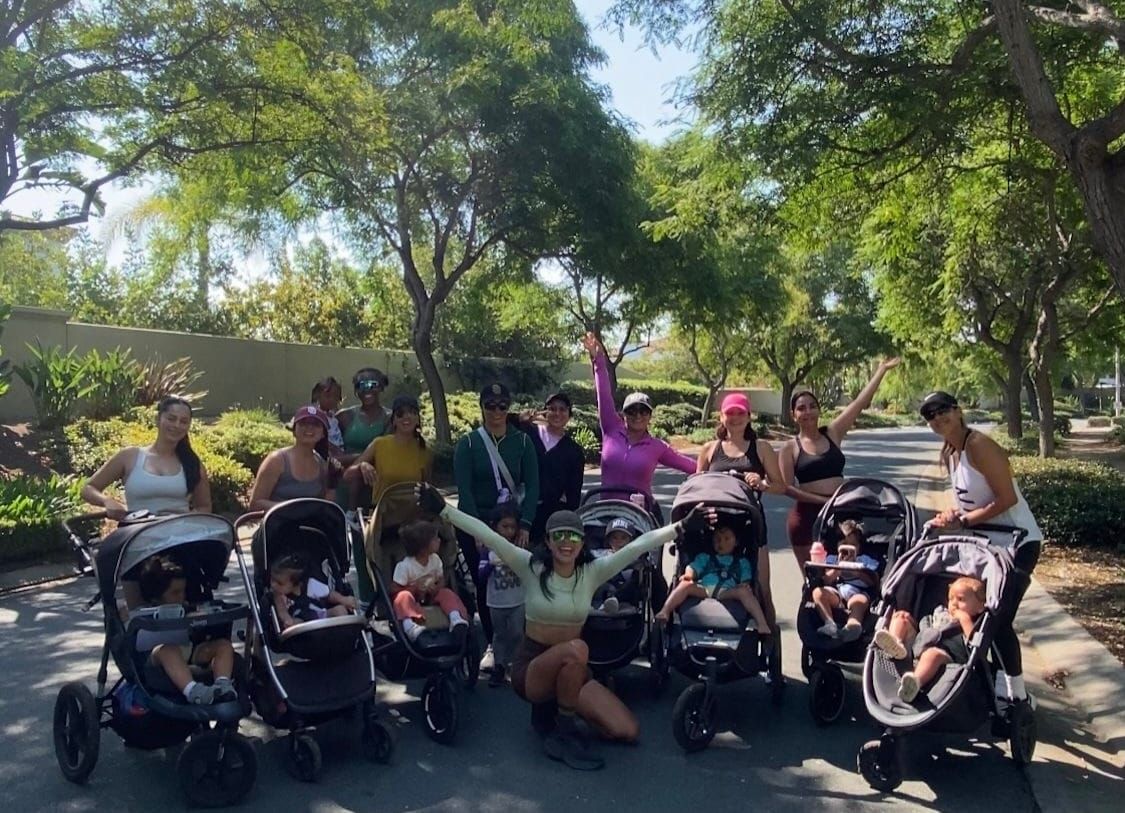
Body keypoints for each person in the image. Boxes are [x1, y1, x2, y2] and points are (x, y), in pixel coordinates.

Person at [419, 481, 711, 770]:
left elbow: (637, 545)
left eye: (573, 536)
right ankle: (563, 730)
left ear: (583, 542)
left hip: (573, 668)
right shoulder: (531, 566)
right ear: (547, 541)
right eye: (559, 535)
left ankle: (561, 711)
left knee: (627, 730)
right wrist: (444, 509)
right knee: (578, 648)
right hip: (532, 668)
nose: (566, 542)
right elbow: (488, 535)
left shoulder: (592, 571)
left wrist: (681, 526)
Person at [919, 390, 1042, 707]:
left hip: (1018, 541)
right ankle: (989, 684)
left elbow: (1006, 499)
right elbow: (967, 501)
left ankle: (1017, 696)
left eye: (942, 410)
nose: (937, 419)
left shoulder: (978, 445)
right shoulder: (951, 452)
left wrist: (966, 521)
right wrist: (953, 516)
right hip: (986, 547)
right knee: (978, 616)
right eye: (930, 415)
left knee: (999, 619)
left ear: (958, 411)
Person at [779, 358, 901, 566]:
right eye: (801, 408)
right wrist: (822, 501)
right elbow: (787, 488)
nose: (807, 412)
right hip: (806, 519)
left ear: (819, 410)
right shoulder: (790, 447)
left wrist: (881, 370)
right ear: (793, 415)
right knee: (814, 578)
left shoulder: (833, 433)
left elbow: (859, 403)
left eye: (812, 406)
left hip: (841, 513)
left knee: (846, 572)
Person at [453, 382, 539, 644]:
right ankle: (492, 641)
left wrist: (525, 523)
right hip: (477, 521)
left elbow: (534, 485)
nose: (496, 411)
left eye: (502, 406)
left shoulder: (522, 441)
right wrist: (478, 529)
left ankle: (522, 640)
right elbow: (464, 491)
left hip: (513, 524)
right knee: (486, 581)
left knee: (519, 581)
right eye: (490, 405)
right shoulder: (468, 444)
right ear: (482, 407)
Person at [581, 333, 695, 503]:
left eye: (643, 411)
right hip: (605, 509)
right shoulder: (611, 428)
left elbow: (691, 466)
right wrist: (597, 359)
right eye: (632, 411)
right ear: (624, 414)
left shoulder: (657, 446)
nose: (638, 415)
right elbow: (603, 394)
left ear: (650, 416)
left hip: (639, 514)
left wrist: (721, 470)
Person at [343, 395, 433, 606]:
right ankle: (383, 608)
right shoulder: (380, 444)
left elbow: (428, 486)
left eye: (412, 412)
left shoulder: (424, 452)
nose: (406, 418)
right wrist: (363, 466)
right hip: (384, 518)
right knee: (383, 568)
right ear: (393, 419)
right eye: (400, 413)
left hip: (412, 520)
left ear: (418, 419)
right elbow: (348, 475)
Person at [129, 555, 237, 704]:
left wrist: (197, 618)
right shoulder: (144, 612)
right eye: (175, 593)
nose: (182, 596)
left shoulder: (185, 607)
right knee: (167, 650)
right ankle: (194, 691)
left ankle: (223, 685)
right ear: (157, 596)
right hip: (156, 657)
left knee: (223, 645)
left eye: (183, 591)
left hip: (187, 650)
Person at [82, 396, 211, 518]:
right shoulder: (129, 457)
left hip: (181, 537)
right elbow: (88, 489)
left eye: (183, 422)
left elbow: (204, 507)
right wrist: (107, 501)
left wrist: (184, 519)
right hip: (139, 535)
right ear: (158, 419)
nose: (177, 425)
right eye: (171, 419)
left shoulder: (192, 463)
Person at [874, 576, 986, 703]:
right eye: (951, 598)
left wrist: (964, 618)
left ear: (980, 607)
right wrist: (908, 620)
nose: (954, 603)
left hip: (945, 656)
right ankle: (895, 643)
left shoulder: (970, 623)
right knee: (901, 617)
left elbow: (974, 640)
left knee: (931, 655)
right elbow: (924, 627)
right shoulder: (941, 613)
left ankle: (914, 683)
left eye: (960, 599)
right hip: (918, 644)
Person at [653, 523, 771, 640]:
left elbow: (746, 576)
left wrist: (745, 582)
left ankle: (762, 623)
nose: (721, 543)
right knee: (685, 585)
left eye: (726, 539)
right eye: (717, 539)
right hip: (704, 588)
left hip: (728, 591)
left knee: (744, 592)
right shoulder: (705, 557)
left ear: (736, 542)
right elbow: (693, 566)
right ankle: (665, 611)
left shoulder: (741, 562)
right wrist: (689, 575)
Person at [512, 392, 585, 544]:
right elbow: (498, 421)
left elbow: (573, 495)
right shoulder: (528, 433)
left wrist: (566, 524)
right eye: (552, 409)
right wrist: (519, 418)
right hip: (518, 509)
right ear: (545, 412)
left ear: (569, 414)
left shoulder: (574, 451)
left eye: (562, 409)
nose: (557, 413)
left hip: (549, 516)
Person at [391, 519, 471, 644]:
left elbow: (441, 579)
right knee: (402, 597)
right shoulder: (405, 566)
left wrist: (438, 587)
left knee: (446, 593)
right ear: (423, 548)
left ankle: (456, 618)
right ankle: (409, 625)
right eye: (435, 539)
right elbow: (394, 589)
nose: (439, 541)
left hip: (431, 597)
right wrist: (413, 589)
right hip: (414, 599)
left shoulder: (435, 560)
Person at [696, 392, 785, 495]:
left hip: (748, 509)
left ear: (748, 417)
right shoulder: (709, 449)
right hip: (714, 509)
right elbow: (697, 485)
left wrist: (762, 484)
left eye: (741, 413)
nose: (735, 417)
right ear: (721, 417)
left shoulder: (762, 448)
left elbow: (780, 487)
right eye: (730, 413)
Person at [249, 406, 330, 511]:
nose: (309, 428)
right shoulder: (277, 460)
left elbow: (325, 506)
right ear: (294, 430)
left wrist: (332, 484)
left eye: (316, 425)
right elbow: (255, 503)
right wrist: (292, 510)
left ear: (323, 433)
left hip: (310, 525)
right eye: (303, 423)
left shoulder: (321, 463)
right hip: (277, 524)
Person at [811, 519, 880, 641]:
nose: (848, 550)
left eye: (853, 546)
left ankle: (853, 626)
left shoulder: (865, 560)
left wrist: (858, 573)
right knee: (818, 592)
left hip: (859, 592)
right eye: (844, 545)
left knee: (859, 603)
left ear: (859, 547)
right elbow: (826, 580)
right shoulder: (832, 559)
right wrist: (837, 569)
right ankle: (829, 623)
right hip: (837, 591)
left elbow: (872, 582)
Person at [337, 367, 392, 510]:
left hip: (377, 482)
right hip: (346, 481)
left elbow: (387, 453)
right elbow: (332, 454)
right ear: (356, 390)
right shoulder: (344, 416)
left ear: (381, 387)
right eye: (361, 385)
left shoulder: (390, 418)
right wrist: (361, 463)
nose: (367, 390)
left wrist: (360, 461)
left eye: (373, 384)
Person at [484, 503, 525, 688]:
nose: (509, 531)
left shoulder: (519, 546)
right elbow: (479, 575)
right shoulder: (488, 548)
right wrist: (490, 565)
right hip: (496, 601)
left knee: (517, 633)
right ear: (495, 527)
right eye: (504, 526)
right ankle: (499, 666)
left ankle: (516, 666)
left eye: (512, 527)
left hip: (517, 599)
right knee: (499, 634)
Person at [270, 553, 357, 629]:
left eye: (279, 583)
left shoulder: (310, 585)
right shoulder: (280, 597)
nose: (273, 585)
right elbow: (282, 611)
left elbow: (329, 594)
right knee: (294, 624)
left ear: (296, 583)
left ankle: (341, 636)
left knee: (341, 610)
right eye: (272, 579)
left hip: (321, 616)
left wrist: (343, 599)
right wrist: (287, 620)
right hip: (302, 624)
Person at [591, 518, 642, 614]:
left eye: (623, 538)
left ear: (630, 541)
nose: (619, 541)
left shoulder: (635, 556)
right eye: (615, 538)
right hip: (603, 587)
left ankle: (614, 600)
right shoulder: (599, 554)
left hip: (624, 591)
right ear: (609, 541)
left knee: (637, 576)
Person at [311, 377, 345, 458]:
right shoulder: (316, 416)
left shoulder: (334, 415)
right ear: (317, 396)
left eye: (336, 396)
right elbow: (320, 440)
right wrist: (335, 450)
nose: (332, 399)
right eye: (328, 396)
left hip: (339, 451)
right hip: (327, 454)